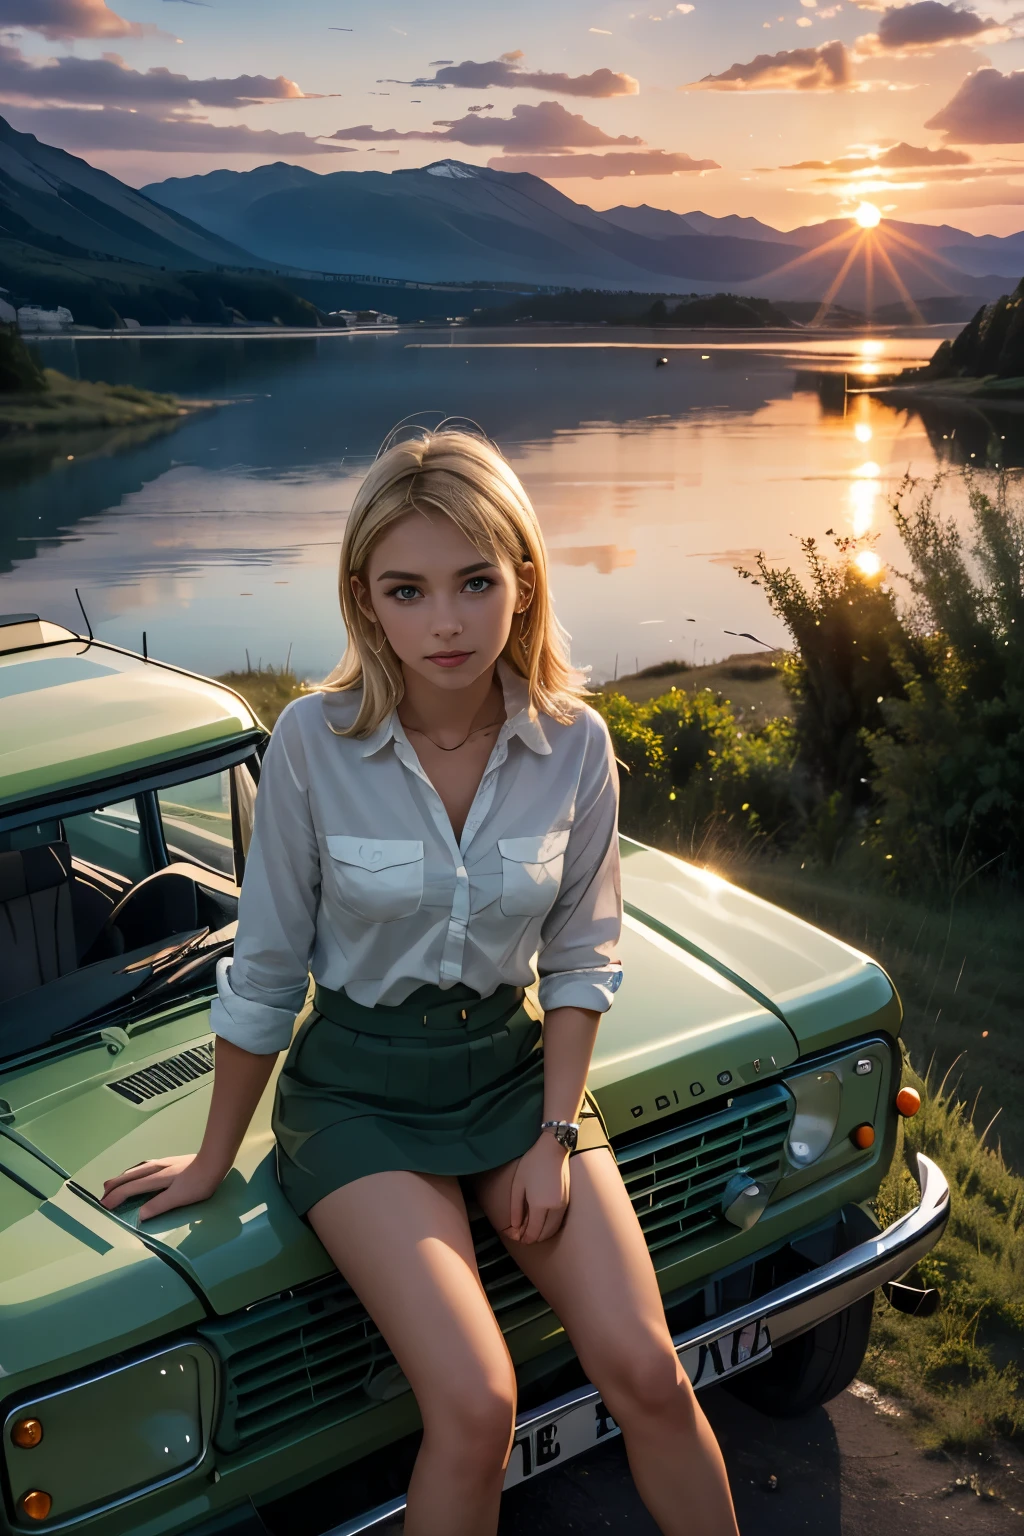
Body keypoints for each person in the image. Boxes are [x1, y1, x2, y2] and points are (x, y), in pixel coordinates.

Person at [102, 427, 740, 1536]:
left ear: (523, 582)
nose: (445, 622)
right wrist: (215, 1155)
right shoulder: (310, 743)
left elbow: (583, 958)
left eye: (475, 582)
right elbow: (264, 969)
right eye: (408, 589)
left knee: (646, 1367)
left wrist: (552, 1134)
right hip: (358, 1098)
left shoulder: (576, 746)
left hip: (511, 1077)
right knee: (478, 1404)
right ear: (365, 599)